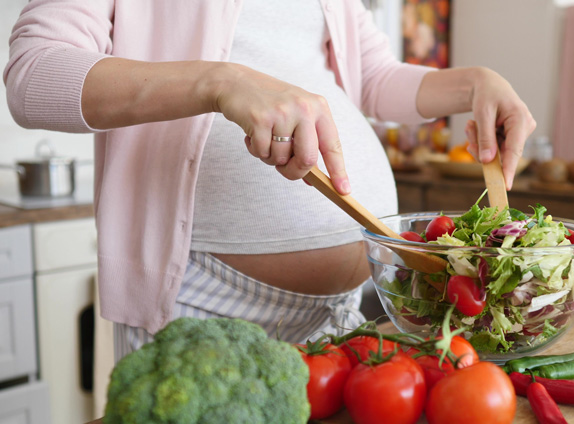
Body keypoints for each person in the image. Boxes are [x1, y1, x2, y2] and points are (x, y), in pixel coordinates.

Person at [4, 0, 536, 359]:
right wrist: (222, 82)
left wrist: (474, 84)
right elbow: (34, 76)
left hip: (343, 312)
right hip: (203, 303)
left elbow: (373, 77)